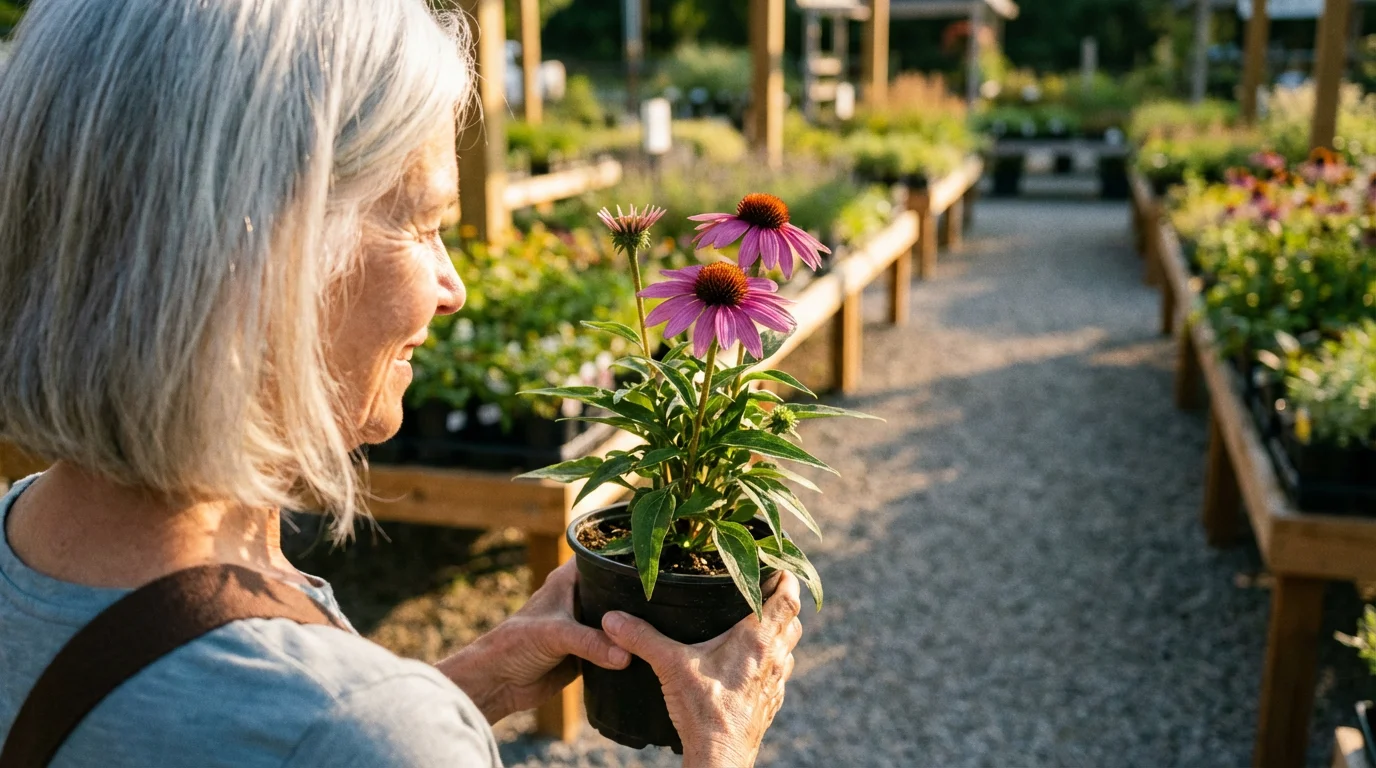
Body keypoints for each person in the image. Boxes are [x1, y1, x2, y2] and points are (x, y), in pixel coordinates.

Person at [0, 1, 803, 766]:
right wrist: (720, 745)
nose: (453, 287)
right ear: (268, 254)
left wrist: (461, 688)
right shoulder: (351, 728)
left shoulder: (25, 546)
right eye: (422, 224)